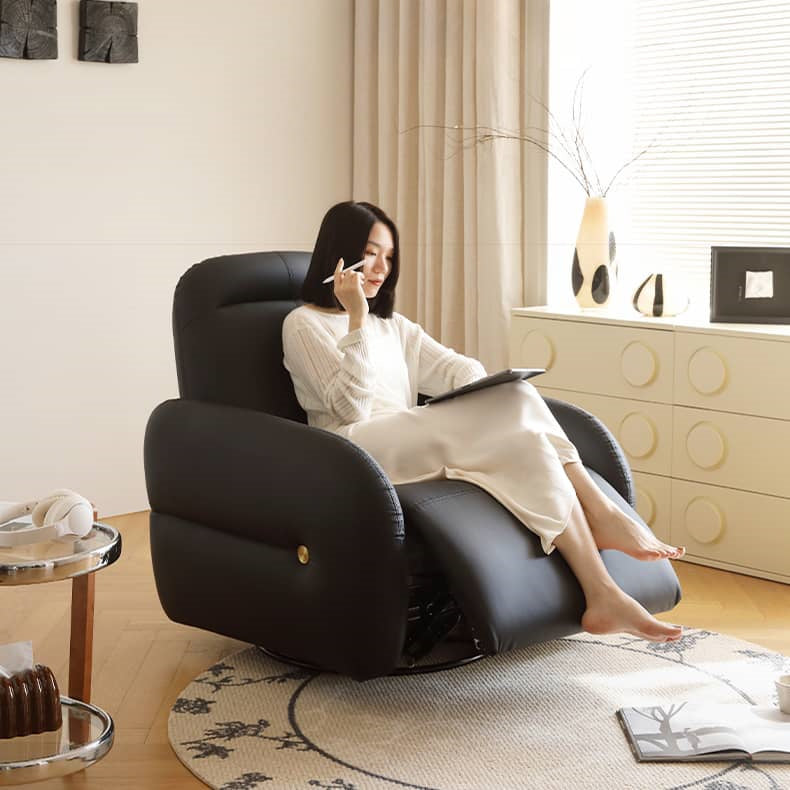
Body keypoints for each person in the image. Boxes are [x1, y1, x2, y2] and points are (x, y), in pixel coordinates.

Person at [282, 200, 685, 643]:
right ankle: (601, 513)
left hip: (405, 435)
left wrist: (479, 397)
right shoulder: (303, 325)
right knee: (510, 407)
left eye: (390, 256)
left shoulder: (393, 327)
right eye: (371, 252)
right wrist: (355, 317)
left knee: (519, 412)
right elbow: (349, 410)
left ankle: (602, 593)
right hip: (352, 453)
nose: (381, 267)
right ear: (340, 255)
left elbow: (463, 369)